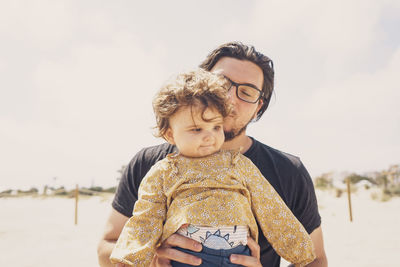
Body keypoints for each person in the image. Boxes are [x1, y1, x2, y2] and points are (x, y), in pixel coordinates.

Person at [97, 42, 328, 267]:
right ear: (200, 84)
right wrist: (153, 260)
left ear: (258, 106)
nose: (230, 98)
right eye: (221, 83)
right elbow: (108, 246)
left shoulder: (289, 171)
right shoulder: (148, 165)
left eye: (247, 92)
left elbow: (315, 260)